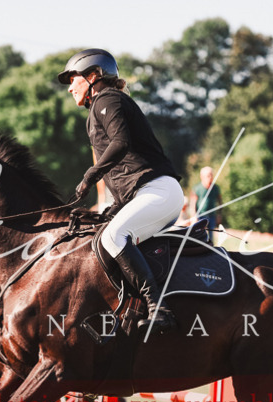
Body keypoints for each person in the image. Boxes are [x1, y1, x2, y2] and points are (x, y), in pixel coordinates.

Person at [58, 48, 181, 333]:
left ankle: (157, 306)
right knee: (100, 234)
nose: (69, 89)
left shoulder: (108, 99)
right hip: (144, 194)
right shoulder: (100, 107)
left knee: (115, 235)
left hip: (159, 191)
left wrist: (91, 175)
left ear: (92, 76)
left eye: (73, 80)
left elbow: (121, 142)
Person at [189, 166, 223, 243]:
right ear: (202, 177)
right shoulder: (197, 188)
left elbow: (220, 202)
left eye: (211, 175)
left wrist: (219, 214)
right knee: (199, 235)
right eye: (208, 175)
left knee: (211, 236)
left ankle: (211, 251)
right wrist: (193, 216)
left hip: (212, 216)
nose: (210, 177)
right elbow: (192, 204)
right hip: (200, 216)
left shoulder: (216, 188)